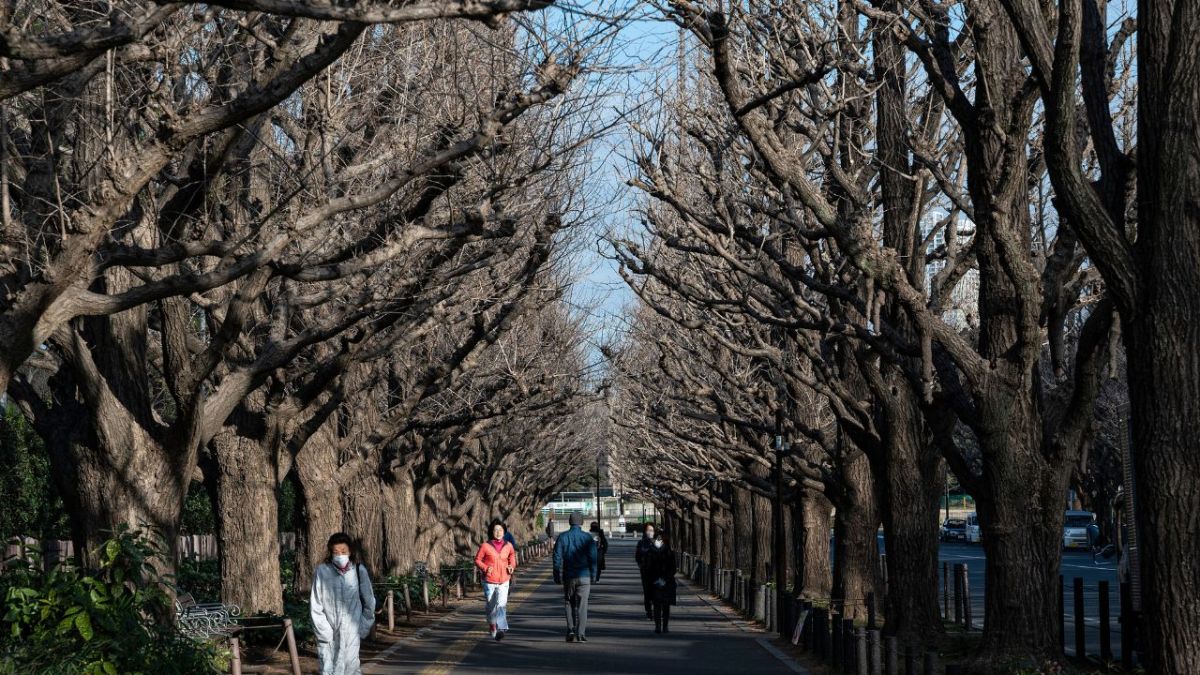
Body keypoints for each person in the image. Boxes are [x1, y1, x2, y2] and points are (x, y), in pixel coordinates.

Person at [310, 533, 376, 675]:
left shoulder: (359, 571)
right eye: (336, 552)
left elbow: (369, 602)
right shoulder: (322, 571)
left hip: (352, 632)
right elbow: (316, 605)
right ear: (330, 552)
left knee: (351, 669)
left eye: (343, 552)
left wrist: (363, 627)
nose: (340, 555)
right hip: (328, 634)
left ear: (350, 551)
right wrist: (324, 632)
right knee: (328, 669)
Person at [552, 512, 598, 642]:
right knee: (583, 605)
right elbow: (593, 558)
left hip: (569, 575)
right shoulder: (588, 538)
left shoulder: (563, 537)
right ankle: (581, 633)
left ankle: (571, 629)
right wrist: (594, 575)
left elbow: (557, 557)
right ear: (582, 522)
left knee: (569, 602)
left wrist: (556, 573)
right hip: (584, 576)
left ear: (569, 522)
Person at [474, 520, 517, 641]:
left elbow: (512, 557)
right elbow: (477, 560)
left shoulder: (508, 545)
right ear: (492, 532)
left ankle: (501, 628)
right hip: (489, 581)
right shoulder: (485, 546)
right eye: (495, 530)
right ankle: (492, 625)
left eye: (500, 530)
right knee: (491, 606)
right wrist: (485, 568)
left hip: (504, 579)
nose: (498, 532)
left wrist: (511, 566)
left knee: (502, 604)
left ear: (504, 532)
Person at [644, 531, 677, 634]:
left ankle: (665, 625)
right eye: (657, 539)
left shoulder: (669, 552)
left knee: (666, 605)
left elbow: (673, 568)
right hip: (654, 581)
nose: (658, 541)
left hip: (666, 581)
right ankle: (658, 626)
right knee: (657, 604)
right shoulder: (650, 552)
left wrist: (666, 578)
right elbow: (647, 567)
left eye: (660, 539)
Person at [635, 523, 658, 618]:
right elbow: (637, 556)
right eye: (648, 530)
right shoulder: (641, 542)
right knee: (647, 592)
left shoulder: (658, 541)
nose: (650, 532)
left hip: (657, 571)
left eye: (652, 530)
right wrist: (641, 565)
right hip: (646, 571)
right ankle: (648, 611)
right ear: (645, 531)